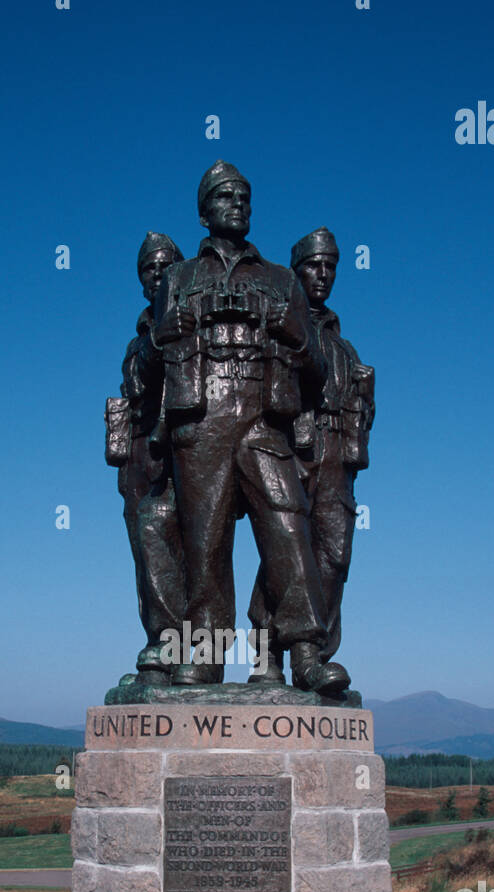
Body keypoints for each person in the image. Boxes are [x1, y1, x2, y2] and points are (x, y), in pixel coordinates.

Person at [148, 162, 349, 694]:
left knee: (288, 527)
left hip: (264, 418)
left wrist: (297, 336)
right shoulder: (180, 278)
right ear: (203, 209)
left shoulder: (281, 280)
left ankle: (305, 653)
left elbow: (318, 369)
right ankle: (208, 657)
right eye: (225, 196)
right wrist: (159, 338)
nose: (237, 203)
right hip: (203, 420)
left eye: (244, 196)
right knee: (207, 542)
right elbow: (146, 372)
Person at [250, 227, 374, 677]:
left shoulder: (344, 347)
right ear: (296, 272)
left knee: (335, 555)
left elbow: (362, 412)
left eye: (330, 267)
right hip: (294, 449)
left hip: (338, 456)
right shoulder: (282, 329)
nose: (323, 275)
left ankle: (317, 653)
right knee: (286, 549)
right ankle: (268, 651)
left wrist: (364, 396)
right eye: (313, 266)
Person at [105, 232, 186, 684]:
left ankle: (191, 653)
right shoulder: (139, 339)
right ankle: (159, 648)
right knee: (146, 556)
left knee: (189, 554)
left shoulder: (189, 323)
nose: (156, 274)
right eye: (148, 268)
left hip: (182, 448)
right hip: (138, 452)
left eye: (164, 265)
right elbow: (135, 387)